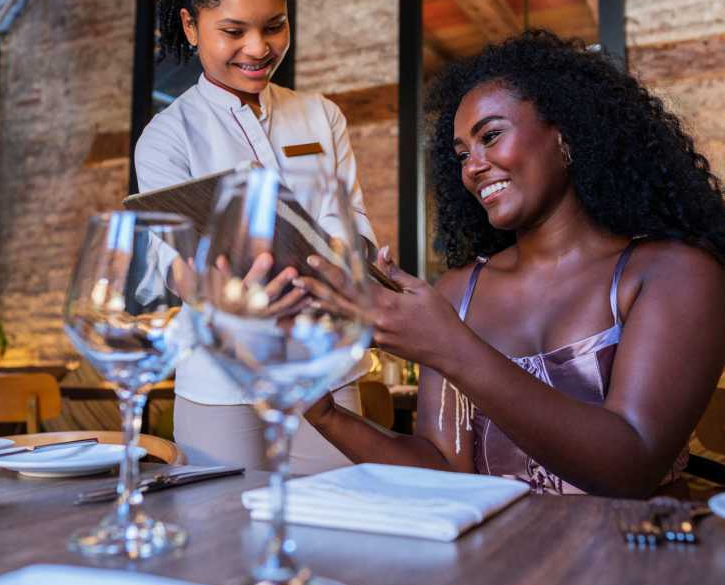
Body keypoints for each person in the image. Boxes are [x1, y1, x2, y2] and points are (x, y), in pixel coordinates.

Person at [300, 30, 725, 496]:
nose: (472, 166)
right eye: (462, 154)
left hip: (630, 559)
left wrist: (448, 346)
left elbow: (632, 466)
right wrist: (325, 415)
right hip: (497, 563)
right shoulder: (459, 293)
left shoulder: (673, 274)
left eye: (491, 136)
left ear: (566, 133)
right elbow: (443, 472)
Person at [134, 0, 376, 473]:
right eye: (233, 30)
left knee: (340, 530)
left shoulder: (321, 116)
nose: (259, 47)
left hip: (325, 367)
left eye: (274, 25)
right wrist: (214, 287)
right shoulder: (165, 137)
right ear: (191, 26)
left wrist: (349, 259)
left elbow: (352, 221)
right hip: (220, 376)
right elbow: (171, 261)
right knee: (221, 537)